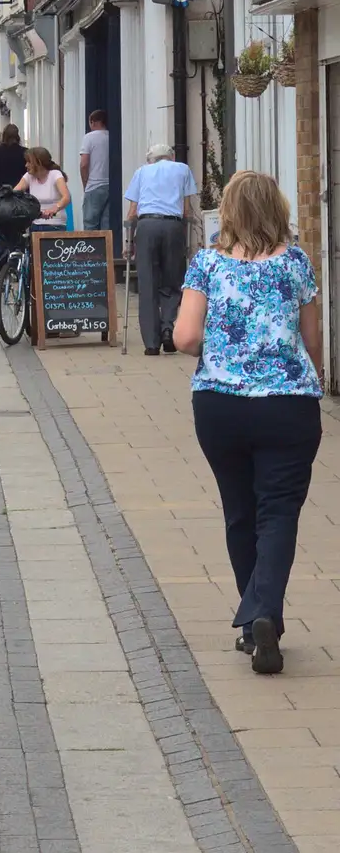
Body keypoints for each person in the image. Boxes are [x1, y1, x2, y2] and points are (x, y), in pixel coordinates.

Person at [173, 171, 322, 677]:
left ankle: (254, 622)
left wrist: (220, 348)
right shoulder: (296, 263)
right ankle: (264, 614)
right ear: (278, 209)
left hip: (220, 405)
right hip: (288, 406)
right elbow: (311, 340)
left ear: (230, 212)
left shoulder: (207, 265)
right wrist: (311, 379)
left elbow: (185, 337)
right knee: (278, 513)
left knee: (239, 510)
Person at [124, 143, 197, 356]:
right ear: (171, 157)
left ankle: (151, 343)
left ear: (151, 160)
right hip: (172, 226)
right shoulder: (182, 169)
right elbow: (186, 209)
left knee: (147, 283)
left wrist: (128, 243)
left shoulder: (141, 172)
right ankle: (168, 328)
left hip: (146, 226)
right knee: (173, 281)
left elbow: (132, 211)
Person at [15, 147, 72, 231]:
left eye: (29, 162)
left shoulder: (55, 174)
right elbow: (14, 193)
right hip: (35, 224)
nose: (26, 165)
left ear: (39, 163)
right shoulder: (29, 176)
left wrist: (55, 208)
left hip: (55, 224)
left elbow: (66, 197)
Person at [80, 110, 111, 230]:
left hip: (94, 185)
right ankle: (107, 248)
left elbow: (84, 164)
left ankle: (90, 248)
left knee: (90, 224)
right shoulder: (111, 136)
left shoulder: (89, 137)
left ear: (92, 122)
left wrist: (85, 184)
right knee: (106, 224)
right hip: (110, 185)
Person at [0, 122, 27, 194]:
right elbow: (26, 173)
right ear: (17, 136)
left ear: (4, 135)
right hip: (19, 192)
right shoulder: (24, 152)